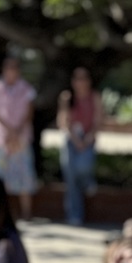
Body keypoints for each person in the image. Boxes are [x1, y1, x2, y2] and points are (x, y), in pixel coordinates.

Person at [0, 57, 38, 221]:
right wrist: (9, 132)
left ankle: (26, 213)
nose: (12, 72)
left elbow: (29, 114)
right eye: (9, 68)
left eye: (15, 68)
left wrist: (16, 133)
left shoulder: (27, 89)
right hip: (0, 139)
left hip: (20, 139)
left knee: (24, 178)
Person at [57, 67, 99, 226]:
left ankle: (88, 182)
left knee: (83, 167)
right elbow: (63, 122)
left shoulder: (94, 97)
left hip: (88, 138)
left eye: (84, 78)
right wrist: (76, 140)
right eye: (77, 78)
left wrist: (87, 139)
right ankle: (75, 215)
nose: (81, 82)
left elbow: (98, 120)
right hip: (71, 140)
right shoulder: (67, 97)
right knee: (71, 179)